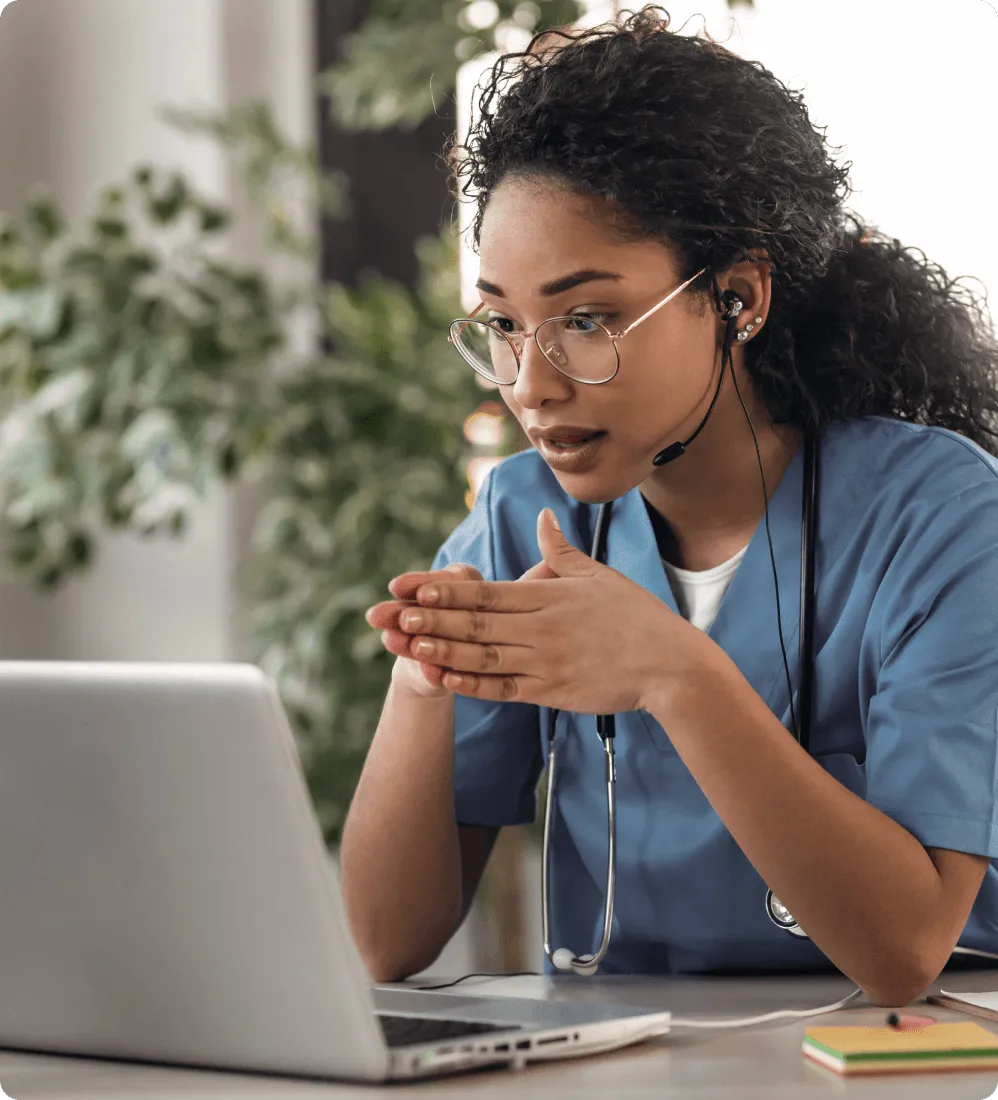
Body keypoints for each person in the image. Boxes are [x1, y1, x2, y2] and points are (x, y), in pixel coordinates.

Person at [341, 7, 998, 1006]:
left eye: (586, 318)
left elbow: (904, 949)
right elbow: (385, 943)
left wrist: (671, 672)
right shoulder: (522, 517)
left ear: (737, 297)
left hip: (892, 1063)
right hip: (627, 1060)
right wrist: (422, 687)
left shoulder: (934, 513)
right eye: (504, 325)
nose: (530, 381)